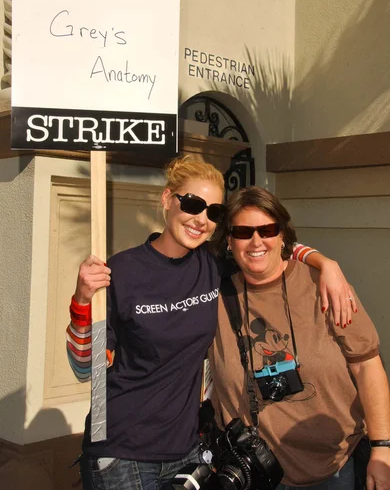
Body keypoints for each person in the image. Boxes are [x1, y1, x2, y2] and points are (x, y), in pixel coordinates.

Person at [67, 157, 356, 490]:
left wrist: (325, 263)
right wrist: (82, 302)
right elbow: (86, 367)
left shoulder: (213, 264)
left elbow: (268, 246)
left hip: (189, 450)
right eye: (192, 204)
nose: (201, 219)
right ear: (166, 199)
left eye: (214, 212)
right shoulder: (122, 271)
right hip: (122, 452)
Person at [208, 186, 390, 490]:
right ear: (229, 241)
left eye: (267, 229)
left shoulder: (326, 286)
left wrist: (382, 447)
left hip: (335, 468)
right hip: (257, 472)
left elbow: (367, 365)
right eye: (242, 232)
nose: (256, 241)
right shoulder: (212, 297)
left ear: (282, 235)